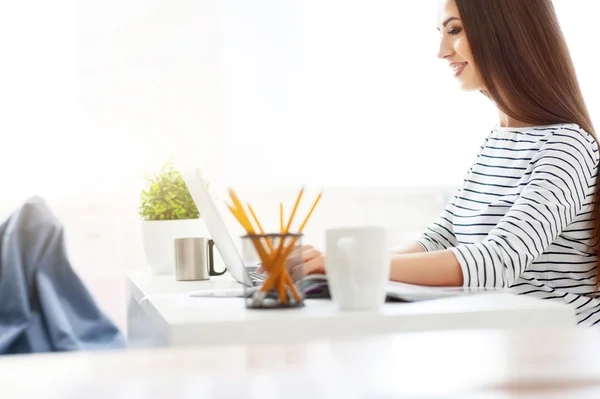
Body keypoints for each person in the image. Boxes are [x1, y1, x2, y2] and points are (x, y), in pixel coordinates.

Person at [298, 0, 600, 327]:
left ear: (504, 33)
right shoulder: (497, 141)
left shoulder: (566, 145)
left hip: (567, 348)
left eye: (454, 30)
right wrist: (334, 268)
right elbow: (443, 236)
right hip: (512, 344)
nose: (442, 51)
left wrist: (351, 264)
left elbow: (497, 262)